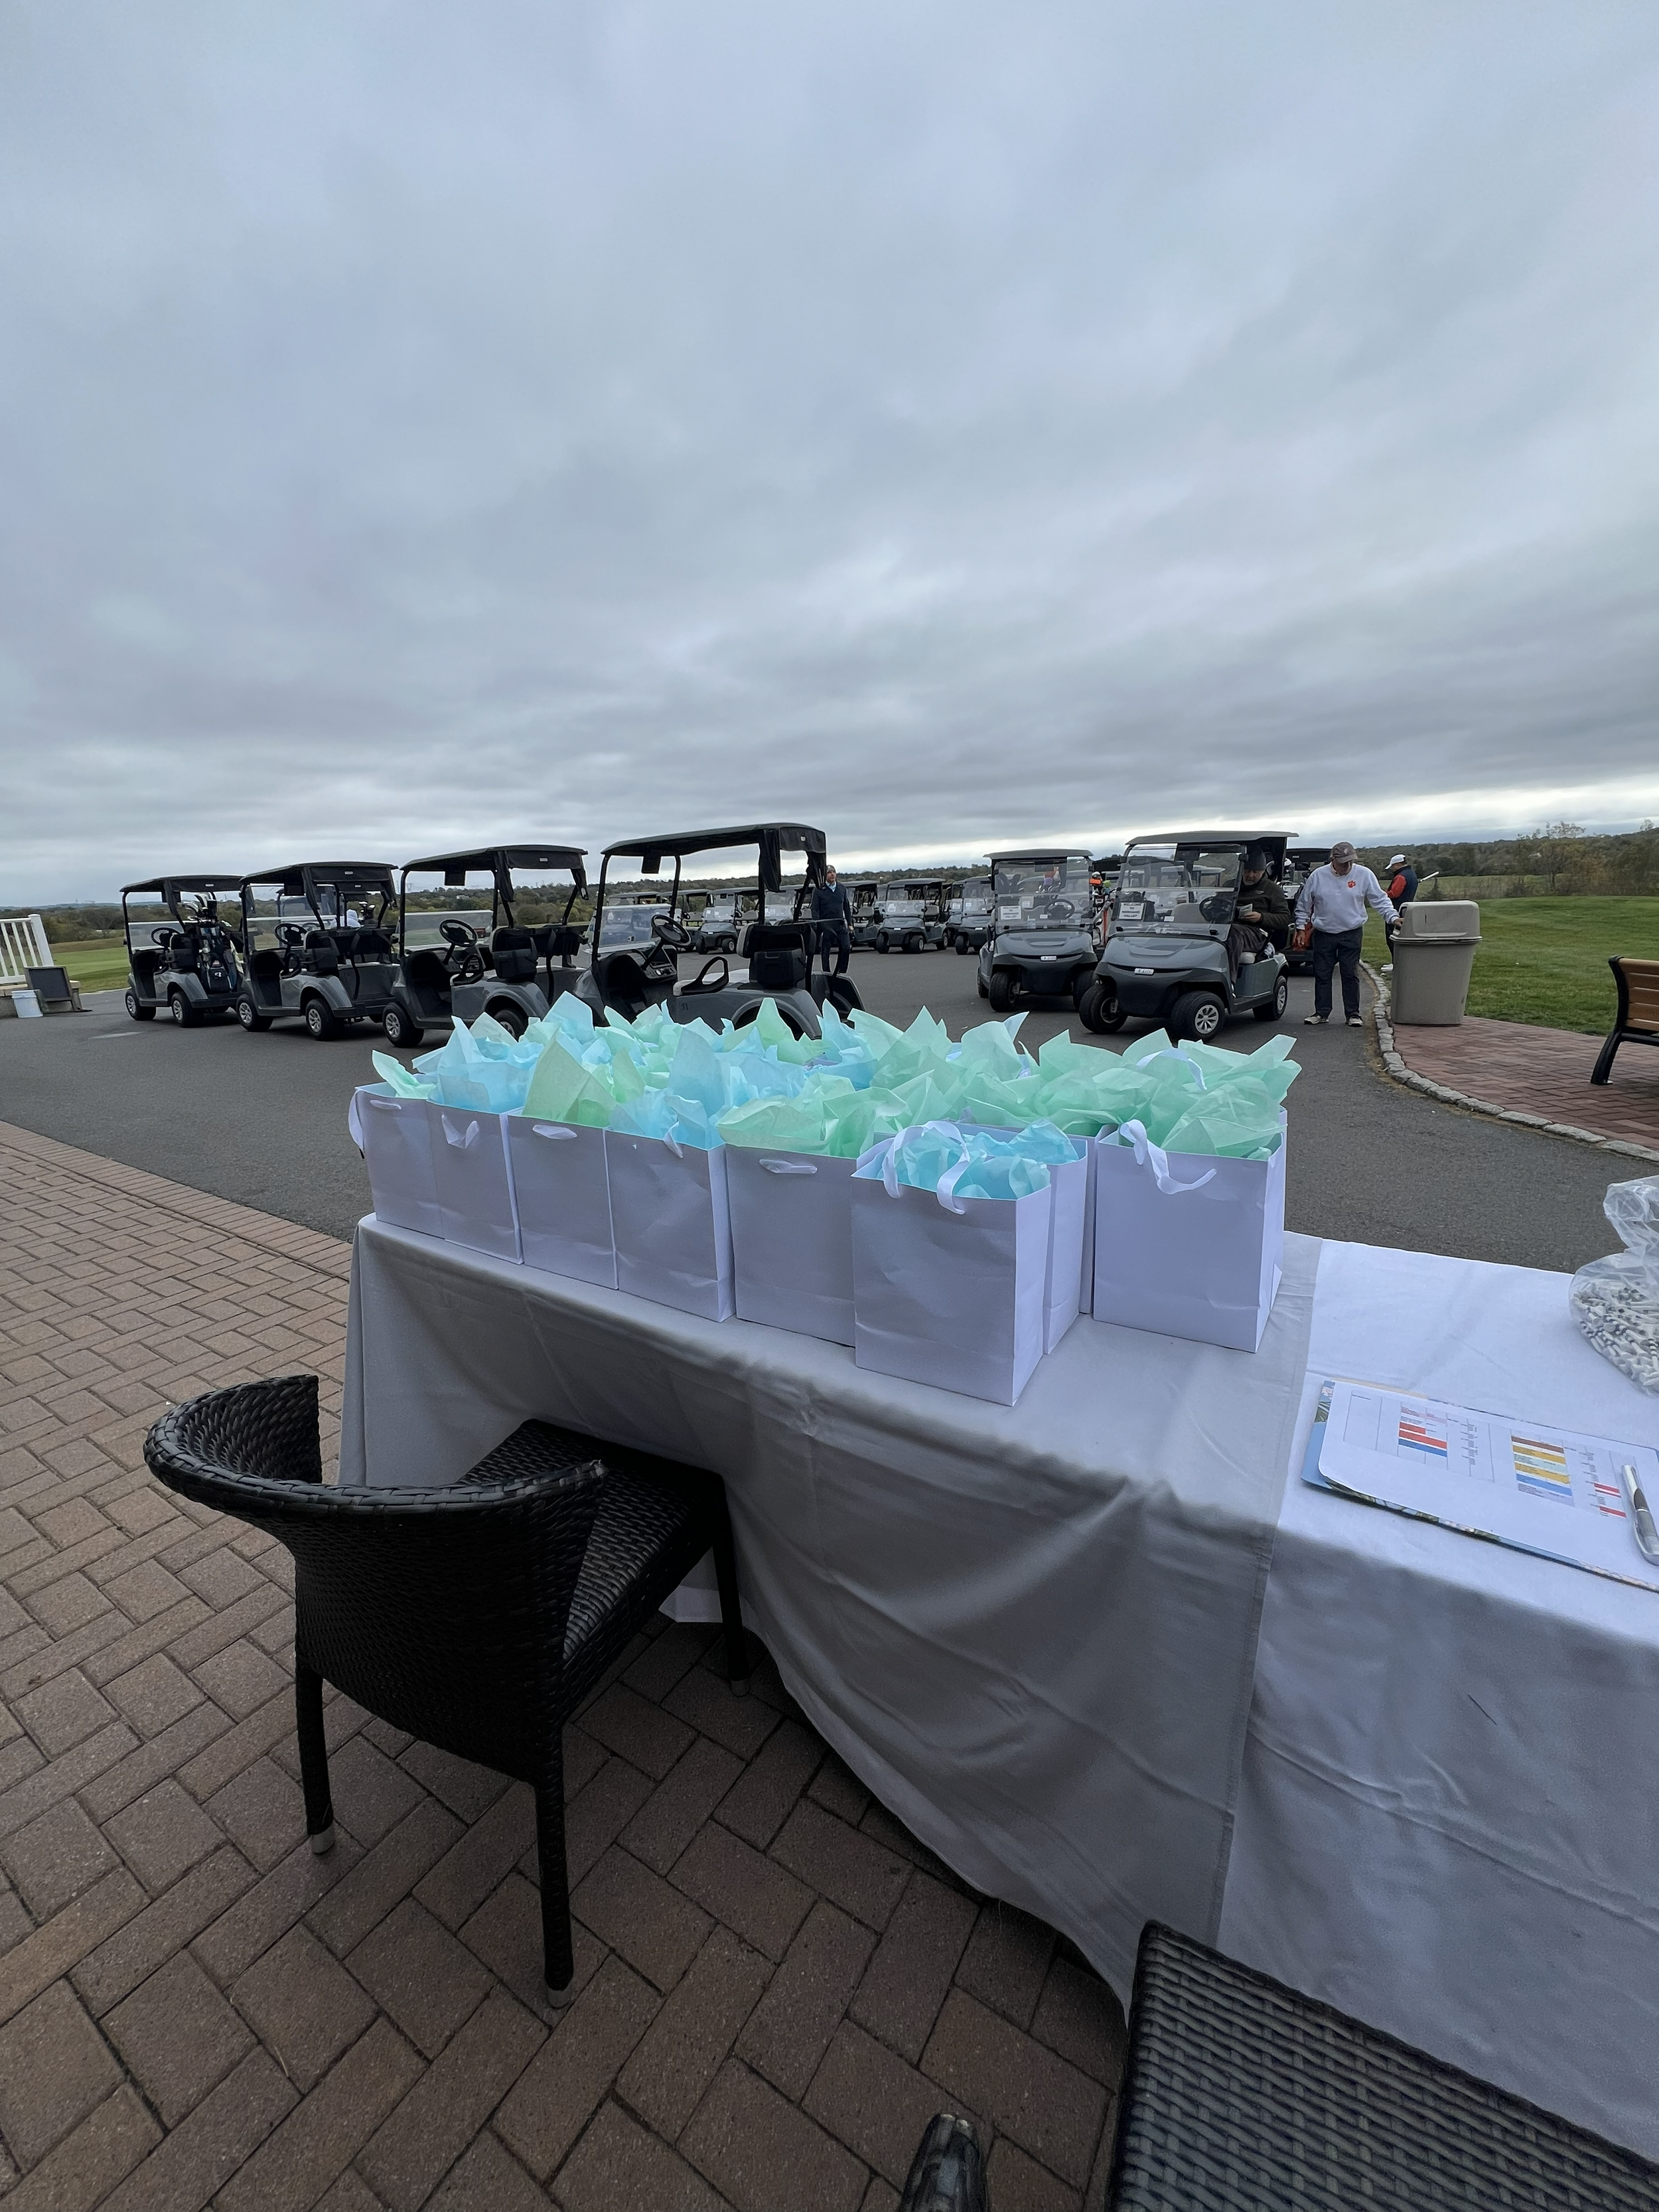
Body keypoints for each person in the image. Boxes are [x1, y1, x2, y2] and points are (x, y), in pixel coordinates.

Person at [1293, 840, 1396, 1027]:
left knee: (1350, 973)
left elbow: (1380, 899)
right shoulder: (1318, 876)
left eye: (1350, 861)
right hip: (1324, 932)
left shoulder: (1364, 874)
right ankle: (1322, 1012)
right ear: (1333, 860)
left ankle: (1353, 1014)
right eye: (1343, 863)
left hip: (1351, 932)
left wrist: (1393, 918)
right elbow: (1304, 904)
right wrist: (1301, 927)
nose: (1347, 866)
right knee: (1322, 974)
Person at [810, 863, 853, 978]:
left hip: (840, 923)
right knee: (825, 952)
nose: (832, 874)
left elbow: (846, 907)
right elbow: (814, 909)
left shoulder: (842, 888)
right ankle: (827, 973)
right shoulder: (819, 890)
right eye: (829, 873)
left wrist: (850, 924)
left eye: (834, 872)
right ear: (825, 876)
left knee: (846, 947)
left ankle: (841, 970)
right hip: (826, 925)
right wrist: (818, 924)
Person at [1383, 853, 1418, 956]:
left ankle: (1396, 962)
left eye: (1393, 866)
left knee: (1392, 936)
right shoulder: (1411, 874)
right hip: (1406, 909)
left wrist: (1383, 893)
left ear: (1398, 865)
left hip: (1396, 909)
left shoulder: (1401, 877)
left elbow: (1394, 893)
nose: (1393, 869)